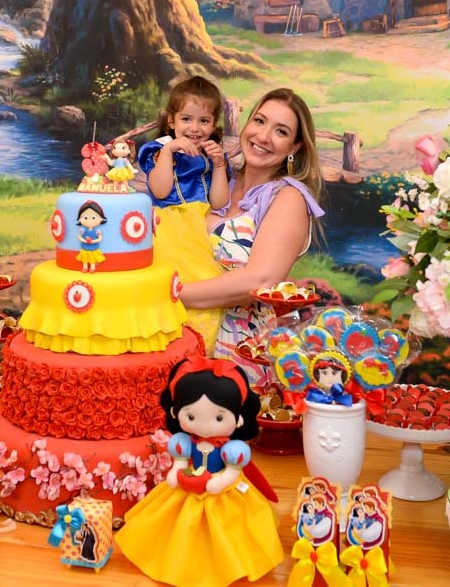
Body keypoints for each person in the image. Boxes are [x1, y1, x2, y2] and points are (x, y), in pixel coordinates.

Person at [178, 88, 325, 371]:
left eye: (281, 131)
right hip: (184, 341)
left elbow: (259, 280)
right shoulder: (216, 180)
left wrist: (168, 294)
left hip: (238, 354)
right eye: (259, 121)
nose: (264, 136)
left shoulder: (288, 197)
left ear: (294, 147)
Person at [115, 356, 283, 587]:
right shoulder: (183, 442)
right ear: (175, 412)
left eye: (219, 417)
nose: (205, 426)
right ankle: (179, 561)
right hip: (188, 485)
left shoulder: (233, 450)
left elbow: (232, 472)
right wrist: (177, 470)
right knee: (176, 524)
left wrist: (221, 481)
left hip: (222, 491)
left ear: (239, 418)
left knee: (232, 527)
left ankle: (227, 564)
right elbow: (180, 462)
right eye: (191, 416)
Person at [138, 76, 231, 346]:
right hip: (169, 223)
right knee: (168, 281)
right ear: (172, 120)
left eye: (204, 121)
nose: (195, 128)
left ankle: (199, 345)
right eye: (186, 119)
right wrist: (169, 152)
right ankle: (165, 344)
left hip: (198, 225)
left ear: (213, 124)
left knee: (203, 281)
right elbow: (160, 191)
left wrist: (219, 165)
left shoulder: (211, 154)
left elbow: (218, 201)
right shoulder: (159, 150)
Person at [74, 200, 107, 273]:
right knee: (84, 258)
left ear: (101, 218)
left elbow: (100, 238)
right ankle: (85, 267)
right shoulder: (82, 230)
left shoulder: (97, 231)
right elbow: (79, 237)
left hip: (93, 247)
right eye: (85, 218)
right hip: (85, 247)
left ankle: (92, 267)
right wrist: (83, 240)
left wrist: (93, 241)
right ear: (80, 219)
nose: (89, 221)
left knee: (92, 258)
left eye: (93, 218)